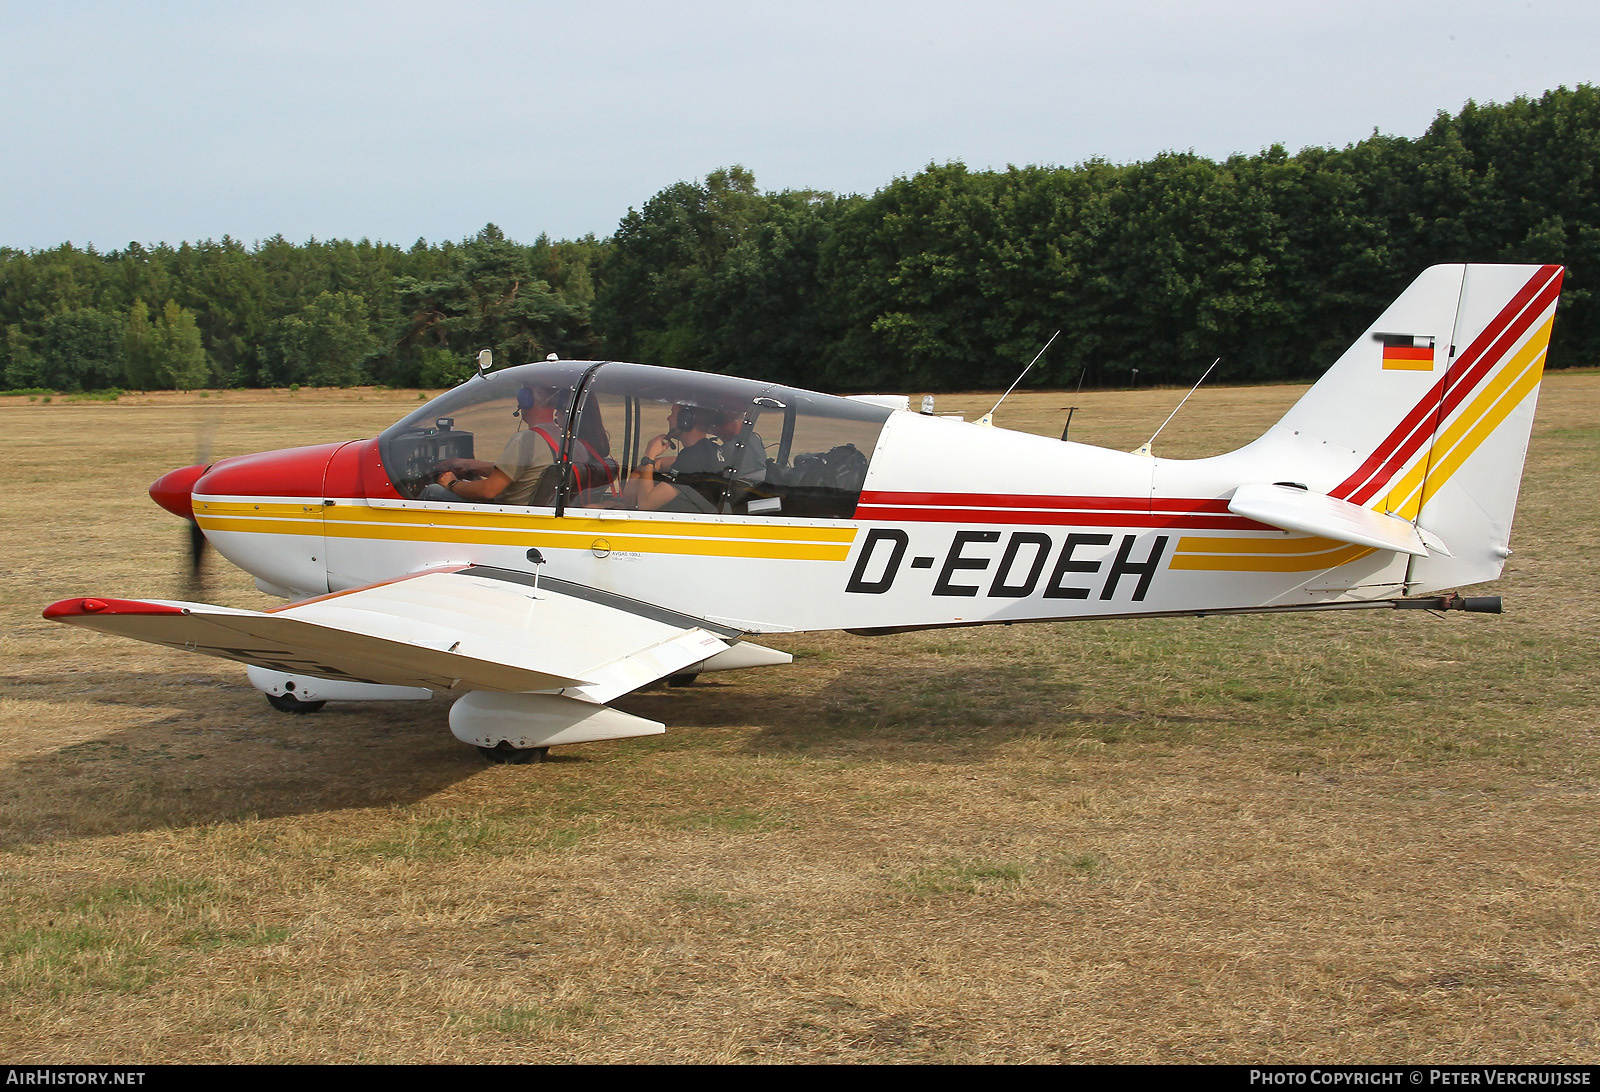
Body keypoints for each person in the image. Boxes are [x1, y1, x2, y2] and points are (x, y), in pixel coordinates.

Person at [431, 384, 563, 504]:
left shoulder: (527, 440)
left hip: (506, 514)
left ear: (526, 400)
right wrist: (466, 464)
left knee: (432, 491)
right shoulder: (559, 437)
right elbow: (515, 471)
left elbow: (489, 491)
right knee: (474, 479)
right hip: (528, 512)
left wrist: (452, 482)